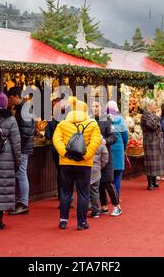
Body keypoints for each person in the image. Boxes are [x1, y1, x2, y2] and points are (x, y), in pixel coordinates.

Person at [53, 97, 102, 230]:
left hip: (66, 163)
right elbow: (95, 142)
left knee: (65, 192)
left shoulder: (62, 124)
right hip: (84, 164)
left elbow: (56, 140)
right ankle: (81, 222)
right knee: (83, 193)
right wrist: (85, 155)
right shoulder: (92, 124)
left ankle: (63, 220)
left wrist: (65, 153)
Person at [0, 92, 22, 230]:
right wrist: (18, 161)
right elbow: (16, 143)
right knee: (3, 188)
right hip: (5, 157)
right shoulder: (11, 120)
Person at [7, 87, 35, 215]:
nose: (10, 100)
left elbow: (25, 132)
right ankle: (22, 201)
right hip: (23, 146)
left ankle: (23, 202)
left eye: (11, 98)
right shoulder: (23, 108)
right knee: (21, 173)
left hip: (22, 148)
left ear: (16, 96)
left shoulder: (24, 110)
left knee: (21, 173)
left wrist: (17, 147)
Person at [90, 101, 118, 217]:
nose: (95, 108)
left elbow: (114, 137)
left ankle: (117, 206)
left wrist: (106, 141)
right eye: (93, 106)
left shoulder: (106, 120)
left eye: (97, 106)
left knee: (108, 182)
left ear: (101, 108)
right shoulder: (89, 120)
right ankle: (104, 207)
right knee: (99, 183)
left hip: (105, 156)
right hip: (94, 158)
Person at [141, 98, 164, 190]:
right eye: (154, 105)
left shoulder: (153, 114)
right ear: (149, 106)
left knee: (156, 163)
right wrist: (158, 117)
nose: (155, 106)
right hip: (150, 142)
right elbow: (152, 126)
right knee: (150, 162)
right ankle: (150, 182)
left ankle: (154, 180)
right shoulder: (145, 116)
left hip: (157, 141)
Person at [107, 101, 129, 197]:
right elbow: (125, 136)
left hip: (108, 148)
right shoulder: (120, 119)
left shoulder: (104, 119)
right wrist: (124, 148)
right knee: (118, 175)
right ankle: (116, 196)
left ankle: (107, 197)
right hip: (119, 148)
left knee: (108, 175)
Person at [45, 98, 64, 201]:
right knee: (64, 172)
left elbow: (47, 136)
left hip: (55, 148)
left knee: (60, 171)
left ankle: (62, 194)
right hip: (66, 149)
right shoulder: (68, 119)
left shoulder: (52, 120)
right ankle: (66, 196)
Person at [89, 141, 109, 219]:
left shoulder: (84, 136)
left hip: (84, 166)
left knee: (84, 189)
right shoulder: (99, 140)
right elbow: (105, 155)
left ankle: (85, 208)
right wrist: (101, 165)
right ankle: (95, 211)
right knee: (95, 190)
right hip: (96, 167)